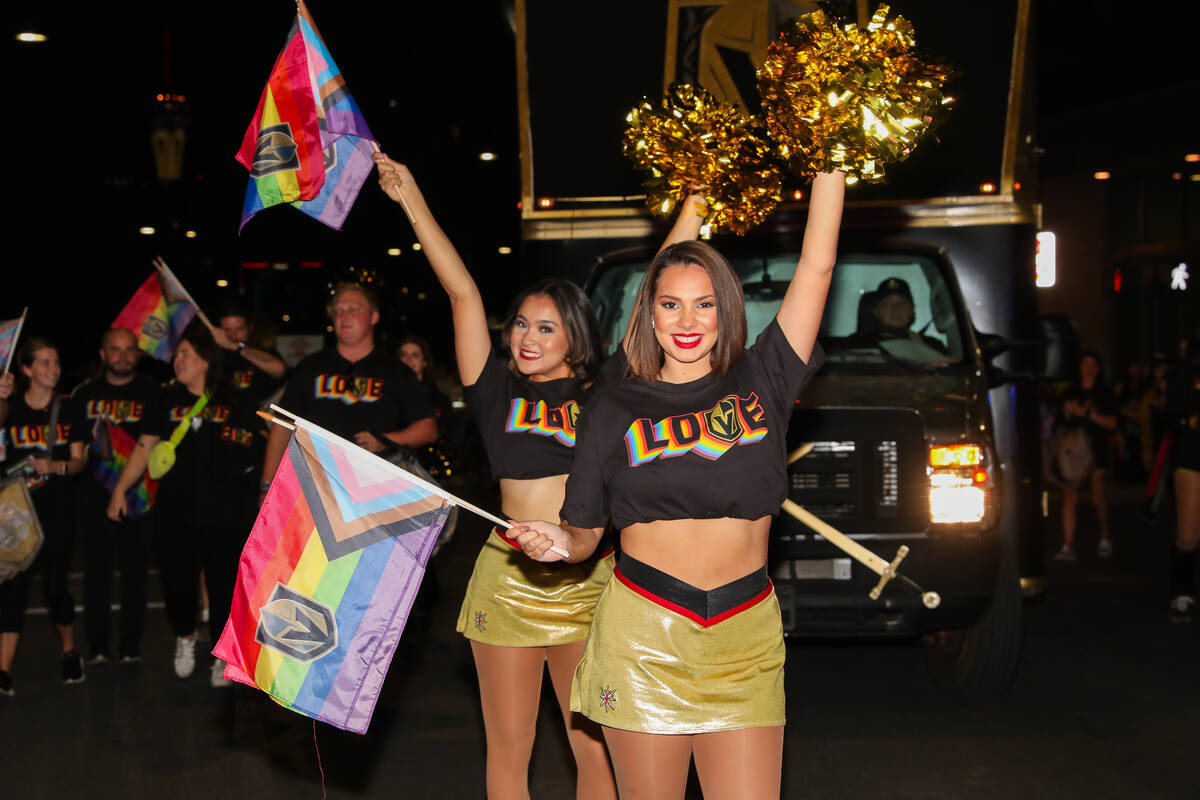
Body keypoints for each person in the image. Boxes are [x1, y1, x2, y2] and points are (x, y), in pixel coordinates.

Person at [508, 170, 845, 799]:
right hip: (644, 633)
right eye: (670, 303)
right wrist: (557, 540)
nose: (687, 321)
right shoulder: (612, 406)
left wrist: (833, 149)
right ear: (649, 312)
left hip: (746, 634)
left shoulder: (765, 377)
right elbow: (585, 530)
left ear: (726, 309)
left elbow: (818, 268)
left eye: (704, 303)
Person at [375, 151, 650, 800]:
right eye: (522, 324)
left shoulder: (606, 392)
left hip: (589, 582)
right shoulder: (495, 391)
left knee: (596, 752)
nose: (527, 337)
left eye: (545, 327)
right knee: (508, 750)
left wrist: (696, 197)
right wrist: (410, 195)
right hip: (509, 582)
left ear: (575, 337)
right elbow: (462, 291)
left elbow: (650, 303)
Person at [107, 332, 262, 685]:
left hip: (226, 514)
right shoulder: (164, 400)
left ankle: (221, 656)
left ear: (206, 359)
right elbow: (145, 447)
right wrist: (120, 489)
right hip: (176, 514)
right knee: (177, 586)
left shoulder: (237, 400)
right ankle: (185, 636)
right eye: (176, 356)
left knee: (225, 587)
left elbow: (261, 447)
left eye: (186, 354)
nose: (178, 361)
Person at [260, 283, 437, 499]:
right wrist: (267, 486)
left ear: (374, 317)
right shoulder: (310, 367)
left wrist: (386, 440)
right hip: (316, 489)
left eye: (353, 309)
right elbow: (283, 427)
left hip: (375, 493)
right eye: (338, 311)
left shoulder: (396, 372)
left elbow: (428, 429)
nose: (344, 315)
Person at [0, 338, 89, 695]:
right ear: (26, 369)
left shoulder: (69, 409)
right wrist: (2, 396)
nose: (53, 369)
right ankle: (3, 670)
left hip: (57, 512)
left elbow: (80, 461)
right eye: (45, 362)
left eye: (56, 361)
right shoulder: (10, 410)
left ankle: (70, 651)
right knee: (11, 589)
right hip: (16, 515)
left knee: (55, 587)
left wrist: (56, 465)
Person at [72, 327, 162, 663]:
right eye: (116, 350)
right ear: (103, 354)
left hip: (137, 497)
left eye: (129, 350)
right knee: (95, 573)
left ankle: (130, 645)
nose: (123, 356)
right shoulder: (84, 395)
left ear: (137, 354)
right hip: (93, 496)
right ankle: (96, 645)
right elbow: (77, 451)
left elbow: (148, 444)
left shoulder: (151, 391)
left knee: (135, 573)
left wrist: (122, 490)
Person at [1053, 351, 1118, 560]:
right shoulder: (1071, 392)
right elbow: (1058, 425)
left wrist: (1087, 413)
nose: (1088, 369)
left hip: (1096, 450)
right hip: (1072, 454)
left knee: (1097, 497)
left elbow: (1113, 423)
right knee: (1069, 497)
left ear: (1098, 369)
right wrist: (1067, 413)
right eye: (1084, 364)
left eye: (1092, 365)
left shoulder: (1105, 394)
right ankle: (1068, 544)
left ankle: (1105, 536)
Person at [1166, 340, 1200, 621]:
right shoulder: (1184, 373)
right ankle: (1183, 590)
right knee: (1188, 533)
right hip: (1193, 453)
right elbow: (1174, 412)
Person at [211, 305, 287, 406]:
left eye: (239, 329)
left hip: (257, 418)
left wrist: (235, 346)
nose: (233, 336)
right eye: (227, 330)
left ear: (250, 328)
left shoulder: (261, 351)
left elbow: (279, 369)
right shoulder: (213, 355)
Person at [850, 276, 947, 355]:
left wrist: (922, 349)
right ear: (876, 311)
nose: (895, 308)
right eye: (887, 303)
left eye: (903, 302)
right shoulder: (854, 345)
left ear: (912, 309)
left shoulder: (933, 347)